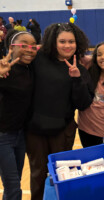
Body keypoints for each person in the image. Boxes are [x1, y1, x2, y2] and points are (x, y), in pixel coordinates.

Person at [26, 23, 94, 200]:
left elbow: (84, 103)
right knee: (38, 174)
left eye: (71, 41)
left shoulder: (79, 68)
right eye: (62, 41)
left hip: (62, 130)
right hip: (35, 130)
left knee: (62, 174)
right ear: (53, 42)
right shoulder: (37, 59)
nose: (67, 45)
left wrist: (77, 79)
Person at [0, 30, 37, 200]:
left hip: (20, 135)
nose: (29, 49)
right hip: (3, 136)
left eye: (33, 46)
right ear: (10, 48)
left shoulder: (30, 69)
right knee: (13, 187)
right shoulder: (4, 70)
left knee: (13, 185)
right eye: (23, 45)